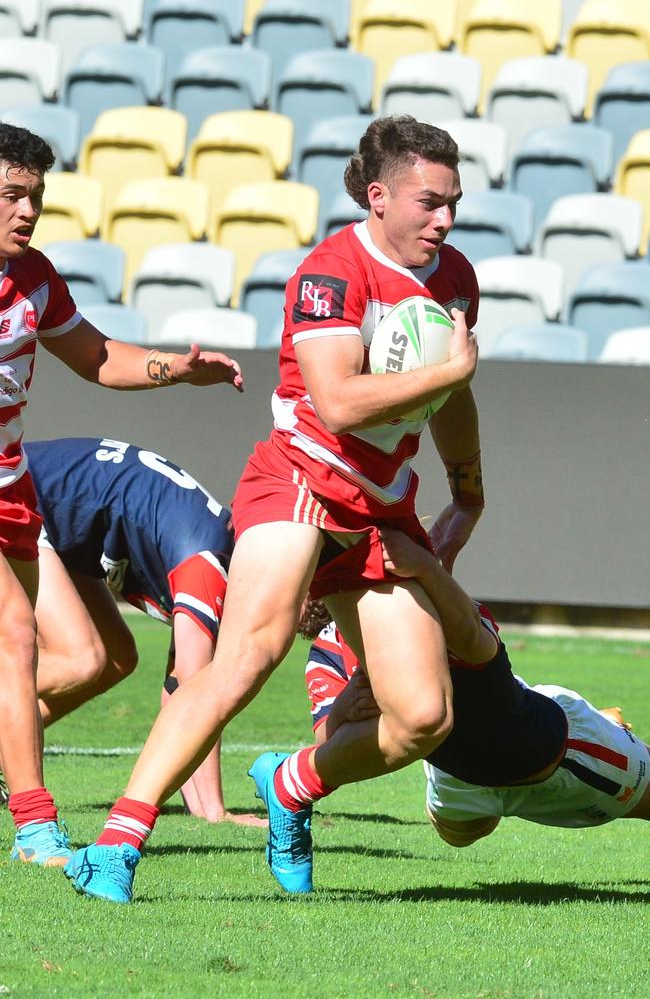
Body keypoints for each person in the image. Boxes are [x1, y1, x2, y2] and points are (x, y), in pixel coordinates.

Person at [63, 114, 483, 902]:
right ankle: (116, 840)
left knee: (423, 719)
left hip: (381, 509)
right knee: (249, 654)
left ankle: (289, 785)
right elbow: (340, 401)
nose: (446, 219)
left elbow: (451, 390)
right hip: (298, 480)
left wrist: (469, 488)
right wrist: (452, 371)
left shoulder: (455, 277)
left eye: (455, 203)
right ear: (381, 195)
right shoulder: (330, 274)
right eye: (430, 203)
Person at [0, 122, 243, 868]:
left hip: (14, 489)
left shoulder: (36, 279)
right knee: (16, 636)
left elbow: (100, 358)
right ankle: (37, 827)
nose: (28, 210)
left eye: (36, 197)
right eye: (12, 193)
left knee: (60, 652)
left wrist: (177, 370)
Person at [302, 530, 649, 846]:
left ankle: (603, 730)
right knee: (460, 837)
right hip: (457, 781)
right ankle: (604, 727)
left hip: (554, 753)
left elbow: (477, 644)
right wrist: (344, 708)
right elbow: (326, 748)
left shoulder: (425, 609)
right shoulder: (328, 651)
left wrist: (428, 568)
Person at [22, 436, 265, 826]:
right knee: (82, 659)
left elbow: (183, 689)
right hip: (20, 496)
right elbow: (194, 691)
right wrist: (215, 812)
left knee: (117, 657)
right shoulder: (208, 565)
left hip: (62, 519)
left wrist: (205, 810)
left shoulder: (221, 549)